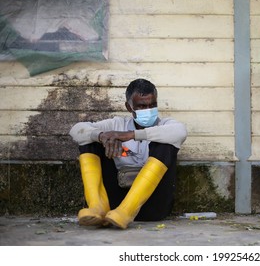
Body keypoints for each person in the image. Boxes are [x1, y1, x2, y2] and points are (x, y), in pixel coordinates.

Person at [69, 78, 187, 229]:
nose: (148, 109)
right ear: (129, 107)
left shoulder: (165, 125)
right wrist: (101, 136)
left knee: (165, 143)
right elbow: (76, 130)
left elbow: (180, 132)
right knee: (89, 140)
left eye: (152, 105)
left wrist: (130, 135)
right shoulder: (116, 124)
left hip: (153, 206)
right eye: (142, 106)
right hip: (114, 207)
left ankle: (127, 211)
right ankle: (97, 207)